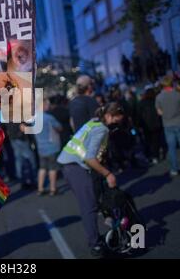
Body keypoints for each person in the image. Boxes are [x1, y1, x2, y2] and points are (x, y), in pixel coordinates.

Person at [57, 103, 124, 257]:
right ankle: (96, 245)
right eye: (116, 121)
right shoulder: (101, 129)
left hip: (68, 165)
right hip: (75, 167)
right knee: (89, 207)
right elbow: (89, 158)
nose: (116, 125)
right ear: (108, 116)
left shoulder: (93, 122)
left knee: (89, 203)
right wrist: (108, 174)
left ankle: (96, 239)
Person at [155, 76, 180, 176]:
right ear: (172, 83)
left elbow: (159, 113)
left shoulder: (159, 97)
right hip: (179, 122)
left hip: (167, 124)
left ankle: (174, 170)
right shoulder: (178, 95)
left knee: (171, 148)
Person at [34, 99, 62, 196]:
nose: (48, 107)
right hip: (51, 146)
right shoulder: (49, 118)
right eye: (47, 105)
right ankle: (53, 189)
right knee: (52, 169)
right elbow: (59, 128)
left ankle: (40, 188)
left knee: (42, 168)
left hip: (41, 147)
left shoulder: (34, 118)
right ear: (44, 106)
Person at [138, 86, 163, 165]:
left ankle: (150, 155)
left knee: (148, 141)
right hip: (156, 124)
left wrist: (140, 125)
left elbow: (139, 115)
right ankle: (156, 155)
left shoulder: (141, 103)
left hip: (146, 126)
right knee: (156, 141)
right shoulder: (155, 101)